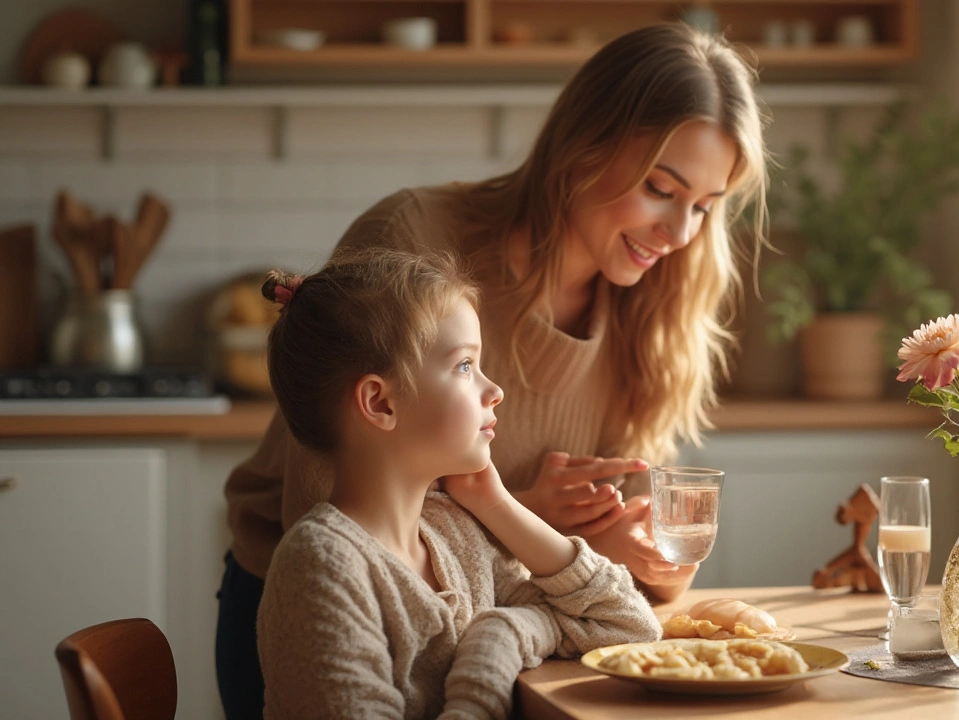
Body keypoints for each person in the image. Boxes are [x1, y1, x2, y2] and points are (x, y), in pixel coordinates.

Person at [218, 21, 768, 717]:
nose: (682, 234)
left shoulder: (654, 308)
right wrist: (521, 519)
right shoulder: (419, 245)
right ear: (582, 149)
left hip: (484, 642)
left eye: (706, 207)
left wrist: (643, 558)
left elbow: (617, 594)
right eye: (661, 188)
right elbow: (324, 517)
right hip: (326, 617)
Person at [254, 248, 661, 719]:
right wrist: (485, 676)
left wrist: (498, 512)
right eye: (465, 366)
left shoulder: (456, 534)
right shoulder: (322, 567)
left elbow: (627, 625)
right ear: (380, 403)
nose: (495, 390)